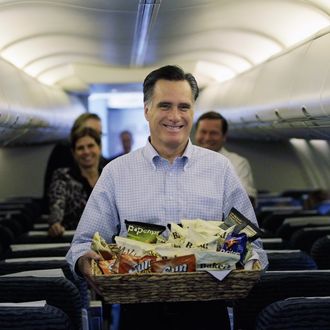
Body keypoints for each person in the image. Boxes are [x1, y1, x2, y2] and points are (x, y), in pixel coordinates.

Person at [66, 65, 268, 330]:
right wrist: (85, 262)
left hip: (207, 313)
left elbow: (253, 243)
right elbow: (81, 245)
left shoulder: (220, 170)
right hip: (139, 314)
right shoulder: (117, 172)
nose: (175, 116)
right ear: (147, 110)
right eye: (165, 106)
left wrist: (250, 264)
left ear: (193, 111)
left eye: (184, 107)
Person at [43, 113, 108, 214]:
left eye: (97, 134)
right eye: (88, 131)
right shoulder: (62, 158)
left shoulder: (106, 168)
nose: (91, 136)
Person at [47, 127, 102, 237]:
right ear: (74, 153)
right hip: (73, 241)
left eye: (90, 146)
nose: (86, 152)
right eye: (80, 148)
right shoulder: (63, 176)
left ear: (99, 148)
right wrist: (55, 224)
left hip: (109, 242)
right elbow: (57, 204)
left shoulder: (110, 174)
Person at [195, 111, 257, 206]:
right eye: (203, 132)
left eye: (213, 133)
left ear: (224, 136)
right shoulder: (183, 160)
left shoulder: (237, 163)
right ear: (196, 134)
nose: (207, 138)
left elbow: (246, 199)